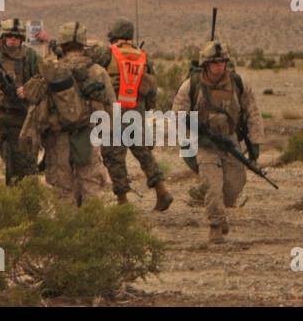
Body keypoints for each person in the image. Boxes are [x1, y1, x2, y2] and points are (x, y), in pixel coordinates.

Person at [171, 39, 264, 243]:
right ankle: (215, 225)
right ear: (205, 64)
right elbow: (177, 114)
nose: (218, 66)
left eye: (222, 62)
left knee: (233, 186)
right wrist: (192, 135)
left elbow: (253, 113)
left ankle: (220, 214)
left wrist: (255, 142)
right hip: (205, 144)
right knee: (212, 187)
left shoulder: (238, 84)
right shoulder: (191, 86)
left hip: (230, 141)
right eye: (214, 63)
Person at [19, 22, 111, 205]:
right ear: (83, 44)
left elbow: (33, 98)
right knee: (91, 186)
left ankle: (68, 230)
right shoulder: (97, 71)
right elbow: (110, 108)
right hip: (88, 135)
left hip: (57, 138)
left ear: (62, 44)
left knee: (62, 189)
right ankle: (94, 230)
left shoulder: (53, 71)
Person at [100, 18, 173, 210]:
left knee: (114, 156)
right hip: (136, 109)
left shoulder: (109, 53)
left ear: (114, 36)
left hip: (113, 110)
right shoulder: (143, 56)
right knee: (143, 152)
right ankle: (162, 190)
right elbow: (151, 86)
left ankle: (122, 202)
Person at [0, 17, 40, 183]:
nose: (12, 40)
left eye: (16, 37)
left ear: (21, 39)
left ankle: (17, 204)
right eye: (9, 36)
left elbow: (44, 77)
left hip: (20, 119)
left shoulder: (30, 57)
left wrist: (28, 89)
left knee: (20, 170)